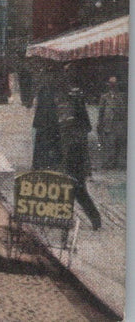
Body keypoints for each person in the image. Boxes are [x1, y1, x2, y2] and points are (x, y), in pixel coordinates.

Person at [57, 84, 102, 230]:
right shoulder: (78, 118)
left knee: (76, 191)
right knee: (77, 191)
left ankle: (92, 219)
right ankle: (92, 219)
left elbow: (73, 140)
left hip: (74, 159)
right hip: (75, 159)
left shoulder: (72, 118)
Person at [97, 76, 126, 170]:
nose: (112, 85)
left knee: (118, 144)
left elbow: (124, 111)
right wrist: (99, 124)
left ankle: (117, 164)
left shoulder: (121, 97)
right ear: (108, 85)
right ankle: (108, 164)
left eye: (114, 83)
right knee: (108, 144)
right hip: (108, 124)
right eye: (111, 83)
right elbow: (101, 112)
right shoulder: (104, 97)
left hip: (118, 124)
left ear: (117, 85)